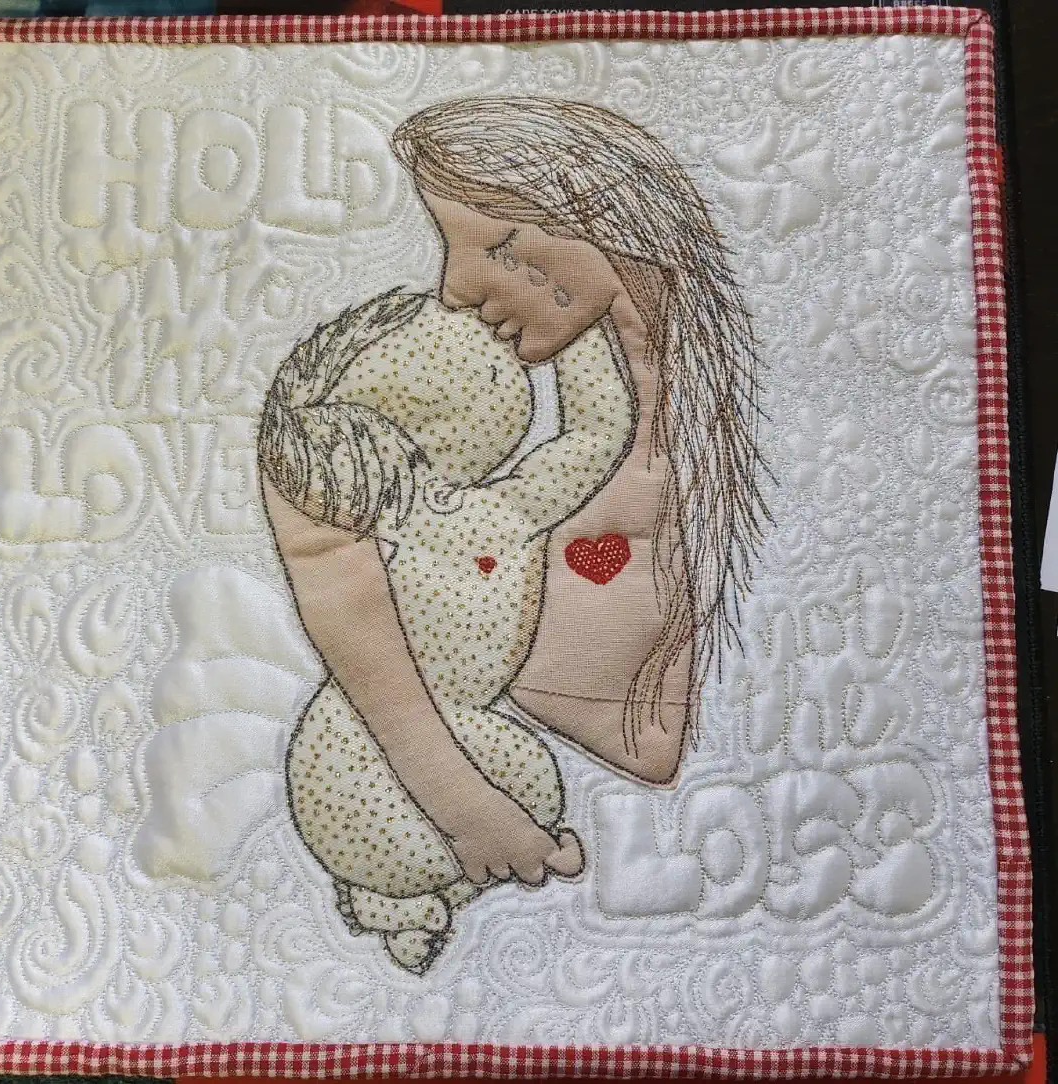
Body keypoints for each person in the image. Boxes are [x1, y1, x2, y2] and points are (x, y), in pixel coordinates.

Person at [258, 97, 767, 971]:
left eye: (496, 244)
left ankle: (417, 898)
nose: (455, 291)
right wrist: (471, 812)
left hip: (471, 726)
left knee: (527, 780)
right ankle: (397, 897)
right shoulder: (390, 511)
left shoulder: (507, 505)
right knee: (478, 792)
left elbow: (594, 436)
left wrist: (576, 327)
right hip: (357, 752)